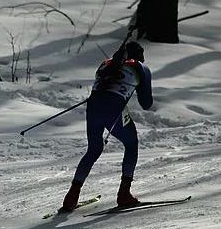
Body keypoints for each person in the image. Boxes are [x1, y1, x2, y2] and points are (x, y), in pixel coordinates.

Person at [61, 40, 153, 212]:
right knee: (131, 144)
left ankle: (70, 198)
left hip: (93, 107)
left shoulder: (105, 64)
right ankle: (124, 194)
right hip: (113, 109)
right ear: (139, 56)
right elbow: (146, 103)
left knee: (94, 149)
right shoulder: (140, 68)